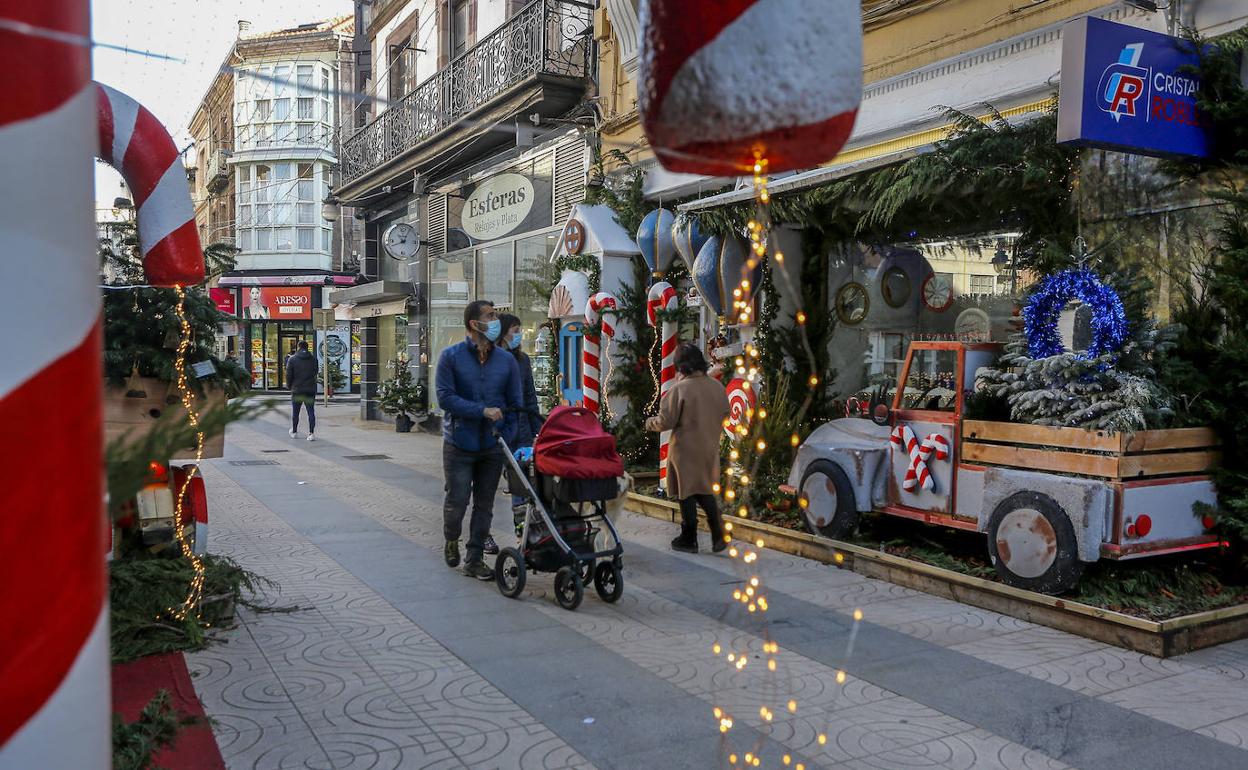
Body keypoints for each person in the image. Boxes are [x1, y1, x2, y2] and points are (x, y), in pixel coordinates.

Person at [436, 300, 522, 579]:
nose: (496, 319)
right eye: (491, 315)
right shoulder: (450, 357)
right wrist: (481, 411)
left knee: (485, 506)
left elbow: (515, 403)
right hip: (459, 443)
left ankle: (474, 558)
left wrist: (505, 435)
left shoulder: (506, 360)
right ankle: (451, 538)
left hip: (492, 446)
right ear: (475, 324)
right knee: (457, 501)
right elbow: (445, 398)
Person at [646, 343, 730, 554]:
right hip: (709, 445)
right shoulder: (717, 387)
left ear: (681, 367)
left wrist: (649, 422)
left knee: (687, 492)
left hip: (685, 448)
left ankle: (689, 537)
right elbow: (725, 412)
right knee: (705, 489)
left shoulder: (680, 389)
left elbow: (666, 420)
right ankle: (718, 531)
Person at [498, 313, 543, 535]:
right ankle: (482, 535)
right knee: (485, 487)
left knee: (521, 480)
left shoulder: (523, 360)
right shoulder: (490, 359)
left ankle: (523, 530)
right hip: (496, 433)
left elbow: (530, 397)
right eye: (515, 330)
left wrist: (538, 431)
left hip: (521, 432)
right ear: (502, 332)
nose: (520, 335)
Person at [286, 340, 318, 441]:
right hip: (310, 390)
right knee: (310, 411)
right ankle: (311, 433)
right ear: (307, 347)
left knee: (296, 412)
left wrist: (289, 386)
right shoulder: (313, 359)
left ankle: (294, 431)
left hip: (297, 390)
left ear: (298, 347)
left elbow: (288, 375)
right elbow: (315, 372)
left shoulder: (292, 359)